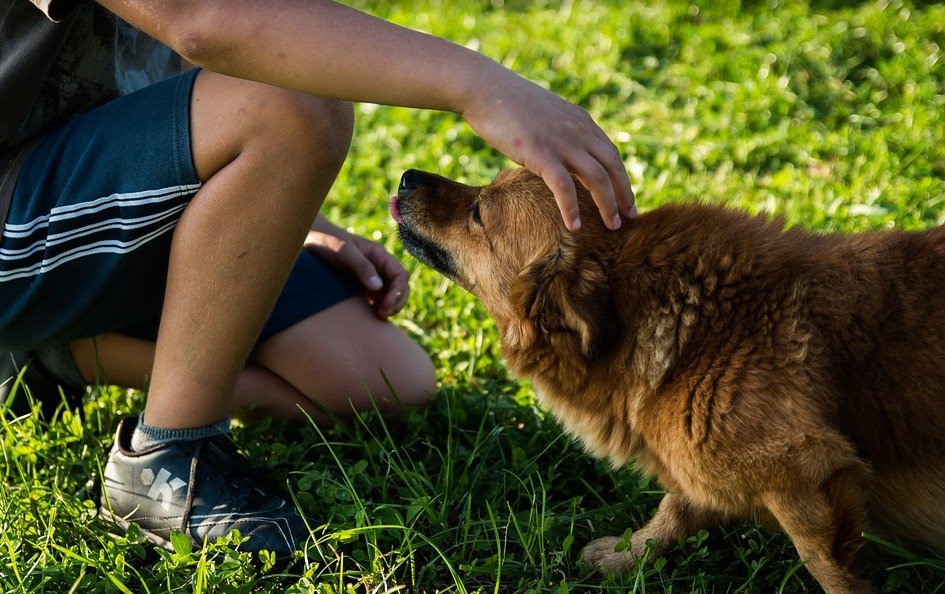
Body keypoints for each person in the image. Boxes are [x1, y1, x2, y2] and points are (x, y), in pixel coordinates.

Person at [0, 0, 635, 557]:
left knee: (381, 381)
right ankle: (168, 457)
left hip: (103, 187)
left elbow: (233, 45)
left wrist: (280, 210)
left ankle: (55, 353)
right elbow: (204, 20)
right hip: (14, 205)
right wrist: (481, 85)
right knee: (296, 104)